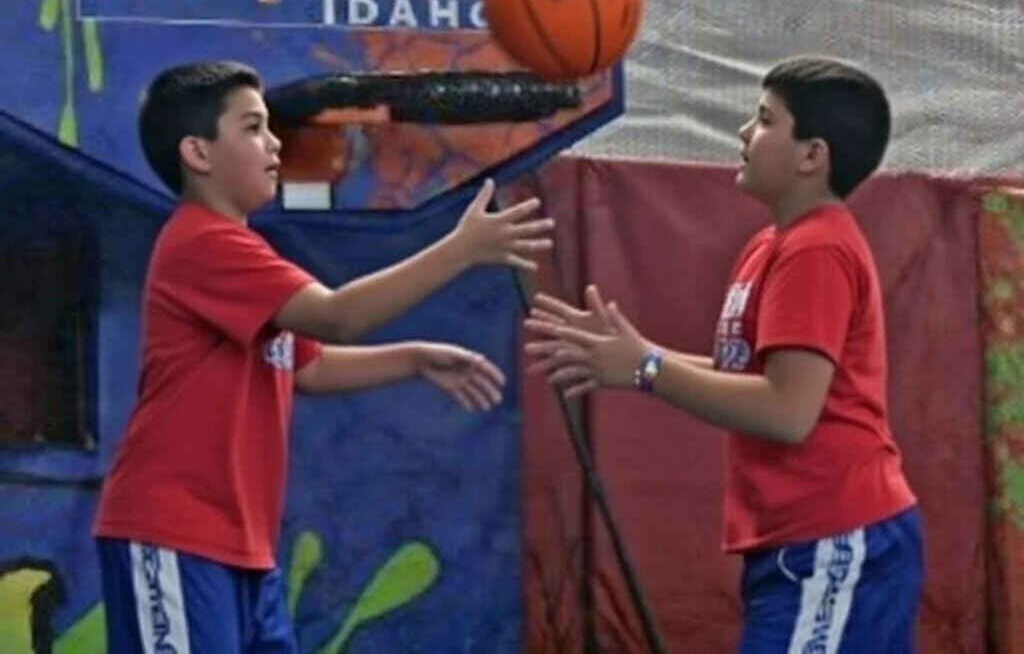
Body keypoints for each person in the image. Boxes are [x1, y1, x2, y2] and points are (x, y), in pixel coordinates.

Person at [93, 60, 554, 653]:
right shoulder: (202, 243)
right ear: (198, 153)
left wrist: (411, 358)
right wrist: (459, 251)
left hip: (243, 549)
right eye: (253, 127)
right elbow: (337, 315)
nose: (274, 143)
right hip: (173, 536)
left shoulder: (238, 250)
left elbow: (305, 364)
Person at [525, 54, 922, 652]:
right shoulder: (771, 245)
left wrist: (647, 368)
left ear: (812, 156)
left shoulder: (817, 251)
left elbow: (787, 411)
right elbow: (751, 376)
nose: (743, 132)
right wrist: (633, 357)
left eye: (764, 120)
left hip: (835, 540)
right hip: (797, 545)